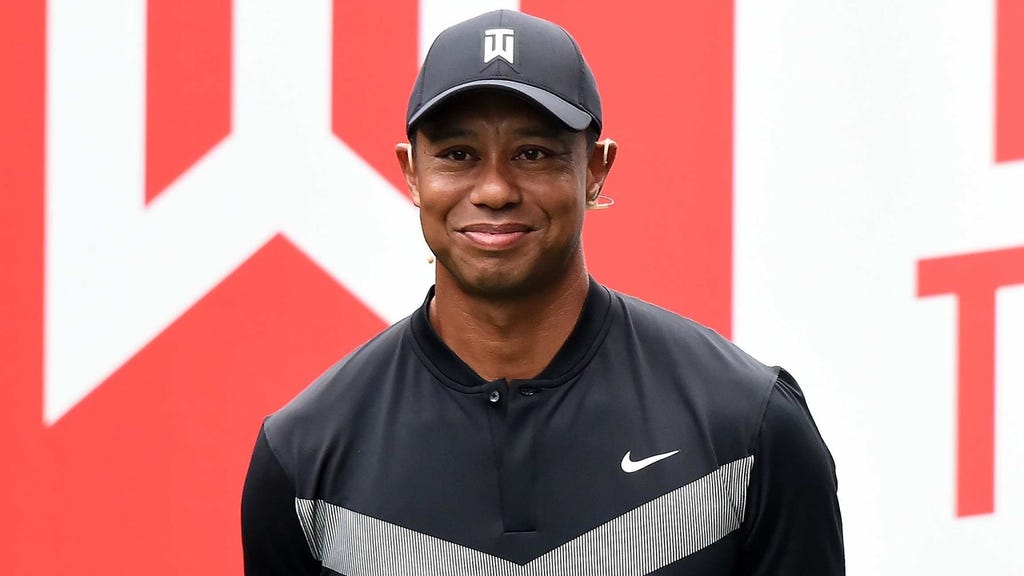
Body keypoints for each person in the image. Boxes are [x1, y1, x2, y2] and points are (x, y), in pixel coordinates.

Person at [241, 9, 844, 575]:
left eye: (532, 154)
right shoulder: (305, 457)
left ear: (596, 169)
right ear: (412, 173)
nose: (495, 190)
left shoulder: (747, 425)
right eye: (458, 155)